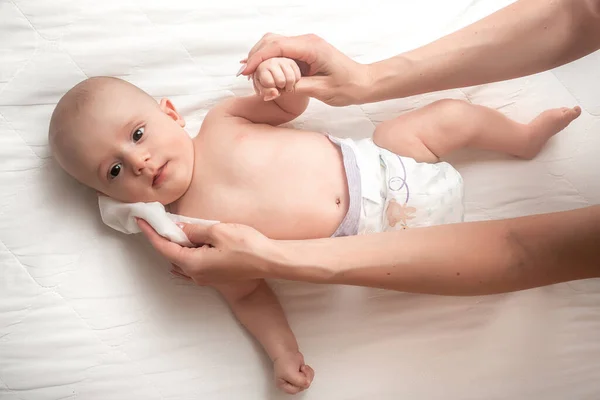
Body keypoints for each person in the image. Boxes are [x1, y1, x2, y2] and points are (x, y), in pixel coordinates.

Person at [138, 0, 600, 294]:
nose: (136, 161)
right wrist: (281, 353)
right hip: (376, 245)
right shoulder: (189, 227)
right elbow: (244, 285)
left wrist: (281, 77)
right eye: (111, 171)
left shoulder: (222, 122)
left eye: (137, 134)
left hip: (388, 159)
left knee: (451, 117)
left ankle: (521, 139)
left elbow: (286, 108)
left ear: (170, 112)